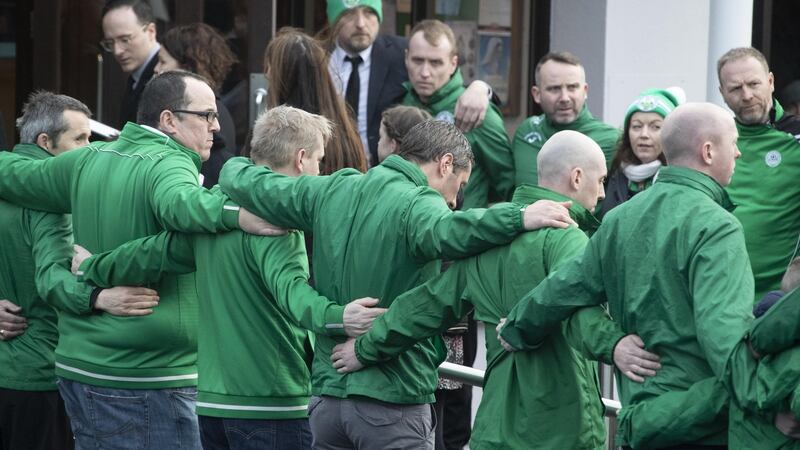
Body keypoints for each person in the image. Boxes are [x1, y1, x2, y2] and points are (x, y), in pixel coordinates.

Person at [218, 119, 576, 449]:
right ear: (445, 164)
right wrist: (519, 216)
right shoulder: (418, 203)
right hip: (392, 402)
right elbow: (451, 231)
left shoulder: (335, 186)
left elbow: (245, 179)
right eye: (459, 187)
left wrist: (233, 164)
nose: (453, 200)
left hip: (327, 403)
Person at [71, 105, 387, 450]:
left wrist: (92, 267)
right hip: (272, 403)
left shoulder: (217, 207)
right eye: (319, 160)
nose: (319, 169)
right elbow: (294, 297)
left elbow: (151, 253)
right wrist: (340, 317)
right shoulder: (277, 222)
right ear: (300, 159)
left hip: (211, 405)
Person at [330, 130, 663, 449]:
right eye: (601, 180)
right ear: (577, 178)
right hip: (561, 425)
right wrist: (614, 344)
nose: (603, 193)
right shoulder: (568, 237)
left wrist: (363, 349)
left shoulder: (491, 239)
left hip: (494, 425)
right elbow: (575, 312)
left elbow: (426, 305)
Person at [499, 102, 800, 449]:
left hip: (642, 420)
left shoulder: (619, 218)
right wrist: (769, 403)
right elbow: (725, 339)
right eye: (733, 143)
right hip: (701, 422)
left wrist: (518, 326)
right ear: (707, 151)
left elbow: (566, 287)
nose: (738, 152)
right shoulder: (717, 227)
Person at [0, 71, 275, 448]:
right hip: (145, 379)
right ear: (168, 120)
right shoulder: (170, 162)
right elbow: (183, 205)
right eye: (206, 115)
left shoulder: (88, 158)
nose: (216, 127)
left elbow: (14, 174)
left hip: (83, 370)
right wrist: (237, 213)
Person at [0, 91, 163, 450]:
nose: (90, 148)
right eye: (81, 138)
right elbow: (51, 279)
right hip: (39, 375)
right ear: (46, 142)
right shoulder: (51, 201)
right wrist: (99, 295)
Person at [326, 0, 494, 165]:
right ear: (333, 17)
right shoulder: (315, 59)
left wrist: (481, 88)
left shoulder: (399, 53)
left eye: (369, 12)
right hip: (328, 173)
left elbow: (444, 80)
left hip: (381, 176)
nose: (361, 24)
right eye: (349, 13)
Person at [402, 19, 515, 209]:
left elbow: (508, 184)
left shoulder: (476, 110)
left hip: (460, 228)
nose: (425, 72)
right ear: (406, 58)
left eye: (436, 63)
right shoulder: (402, 101)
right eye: (418, 60)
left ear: (453, 63)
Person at [717, 47, 800, 301]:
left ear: (771, 82)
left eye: (754, 84)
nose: (747, 95)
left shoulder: (796, 138)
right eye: (735, 88)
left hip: (780, 298)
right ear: (722, 93)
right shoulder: (713, 140)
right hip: (720, 293)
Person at [265, 28, 366, 174]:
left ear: (281, 79)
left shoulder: (272, 138)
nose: (266, 74)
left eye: (269, 67)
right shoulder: (347, 136)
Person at [512, 52, 619, 186]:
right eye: (554, 89)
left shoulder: (611, 140)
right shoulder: (526, 131)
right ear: (537, 94)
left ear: (585, 91)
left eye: (572, 87)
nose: (564, 98)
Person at [156, 22, 238, 187]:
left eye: (163, 62)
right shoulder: (219, 108)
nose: (156, 69)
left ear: (187, 67)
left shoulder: (211, 113)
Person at [599, 88, 680, 218]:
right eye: (637, 126)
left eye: (655, 127)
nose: (644, 135)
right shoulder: (611, 173)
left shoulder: (677, 180)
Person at [101, 0, 160, 128]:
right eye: (110, 43)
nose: (117, 51)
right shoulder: (136, 76)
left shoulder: (165, 74)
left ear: (151, 31)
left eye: (125, 40)